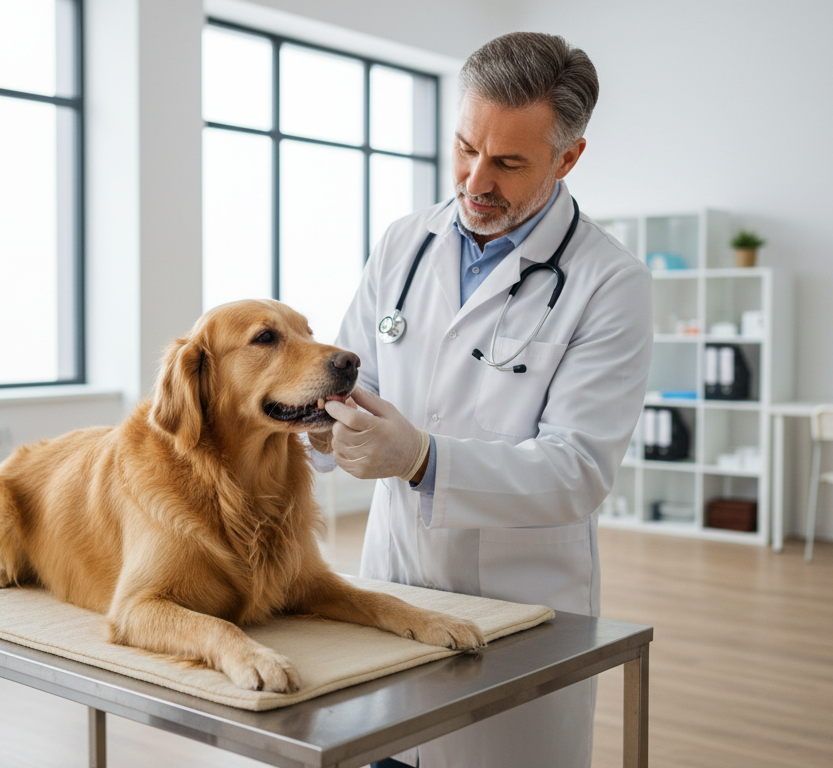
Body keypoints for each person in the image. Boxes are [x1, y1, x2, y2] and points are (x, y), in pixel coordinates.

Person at [307, 32, 653, 768]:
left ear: (567, 159)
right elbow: (348, 381)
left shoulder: (608, 283)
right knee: (389, 753)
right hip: (393, 591)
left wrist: (426, 460)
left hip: (518, 610)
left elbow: (578, 470)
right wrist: (312, 426)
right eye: (466, 147)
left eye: (508, 162)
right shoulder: (406, 243)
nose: (474, 181)